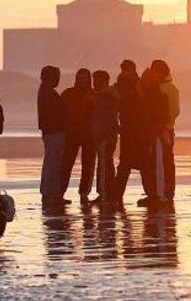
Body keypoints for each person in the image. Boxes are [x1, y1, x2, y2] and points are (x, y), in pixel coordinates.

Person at [108, 66, 148, 204]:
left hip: (132, 135)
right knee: (139, 165)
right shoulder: (136, 95)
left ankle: (116, 194)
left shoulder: (130, 97)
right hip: (133, 134)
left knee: (127, 165)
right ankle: (117, 194)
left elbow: (128, 114)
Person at [61, 68, 97, 205]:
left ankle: (83, 193)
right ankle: (61, 192)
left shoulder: (94, 94)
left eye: (85, 78)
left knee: (88, 165)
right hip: (72, 133)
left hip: (89, 135)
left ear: (89, 80)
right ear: (76, 79)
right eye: (80, 78)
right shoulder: (68, 93)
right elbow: (60, 111)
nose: (82, 81)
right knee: (66, 164)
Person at [150, 59, 180, 205]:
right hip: (164, 129)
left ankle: (162, 195)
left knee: (162, 163)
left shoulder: (168, 88)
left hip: (164, 130)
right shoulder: (162, 87)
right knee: (165, 162)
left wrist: (163, 126)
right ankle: (165, 194)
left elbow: (174, 111)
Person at [37, 65, 67, 207]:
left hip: (51, 132)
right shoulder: (48, 92)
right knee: (53, 164)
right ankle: (50, 194)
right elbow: (54, 114)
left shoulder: (45, 91)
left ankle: (51, 193)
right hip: (54, 132)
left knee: (52, 163)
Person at [88, 70, 119, 206]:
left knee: (104, 166)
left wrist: (100, 135)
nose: (95, 83)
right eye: (94, 80)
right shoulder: (101, 96)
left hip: (105, 137)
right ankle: (107, 193)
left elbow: (105, 119)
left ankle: (105, 195)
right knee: (105, 165)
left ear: (105, 81)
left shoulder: (106, 97)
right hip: (103, 136)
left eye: (98, 80)